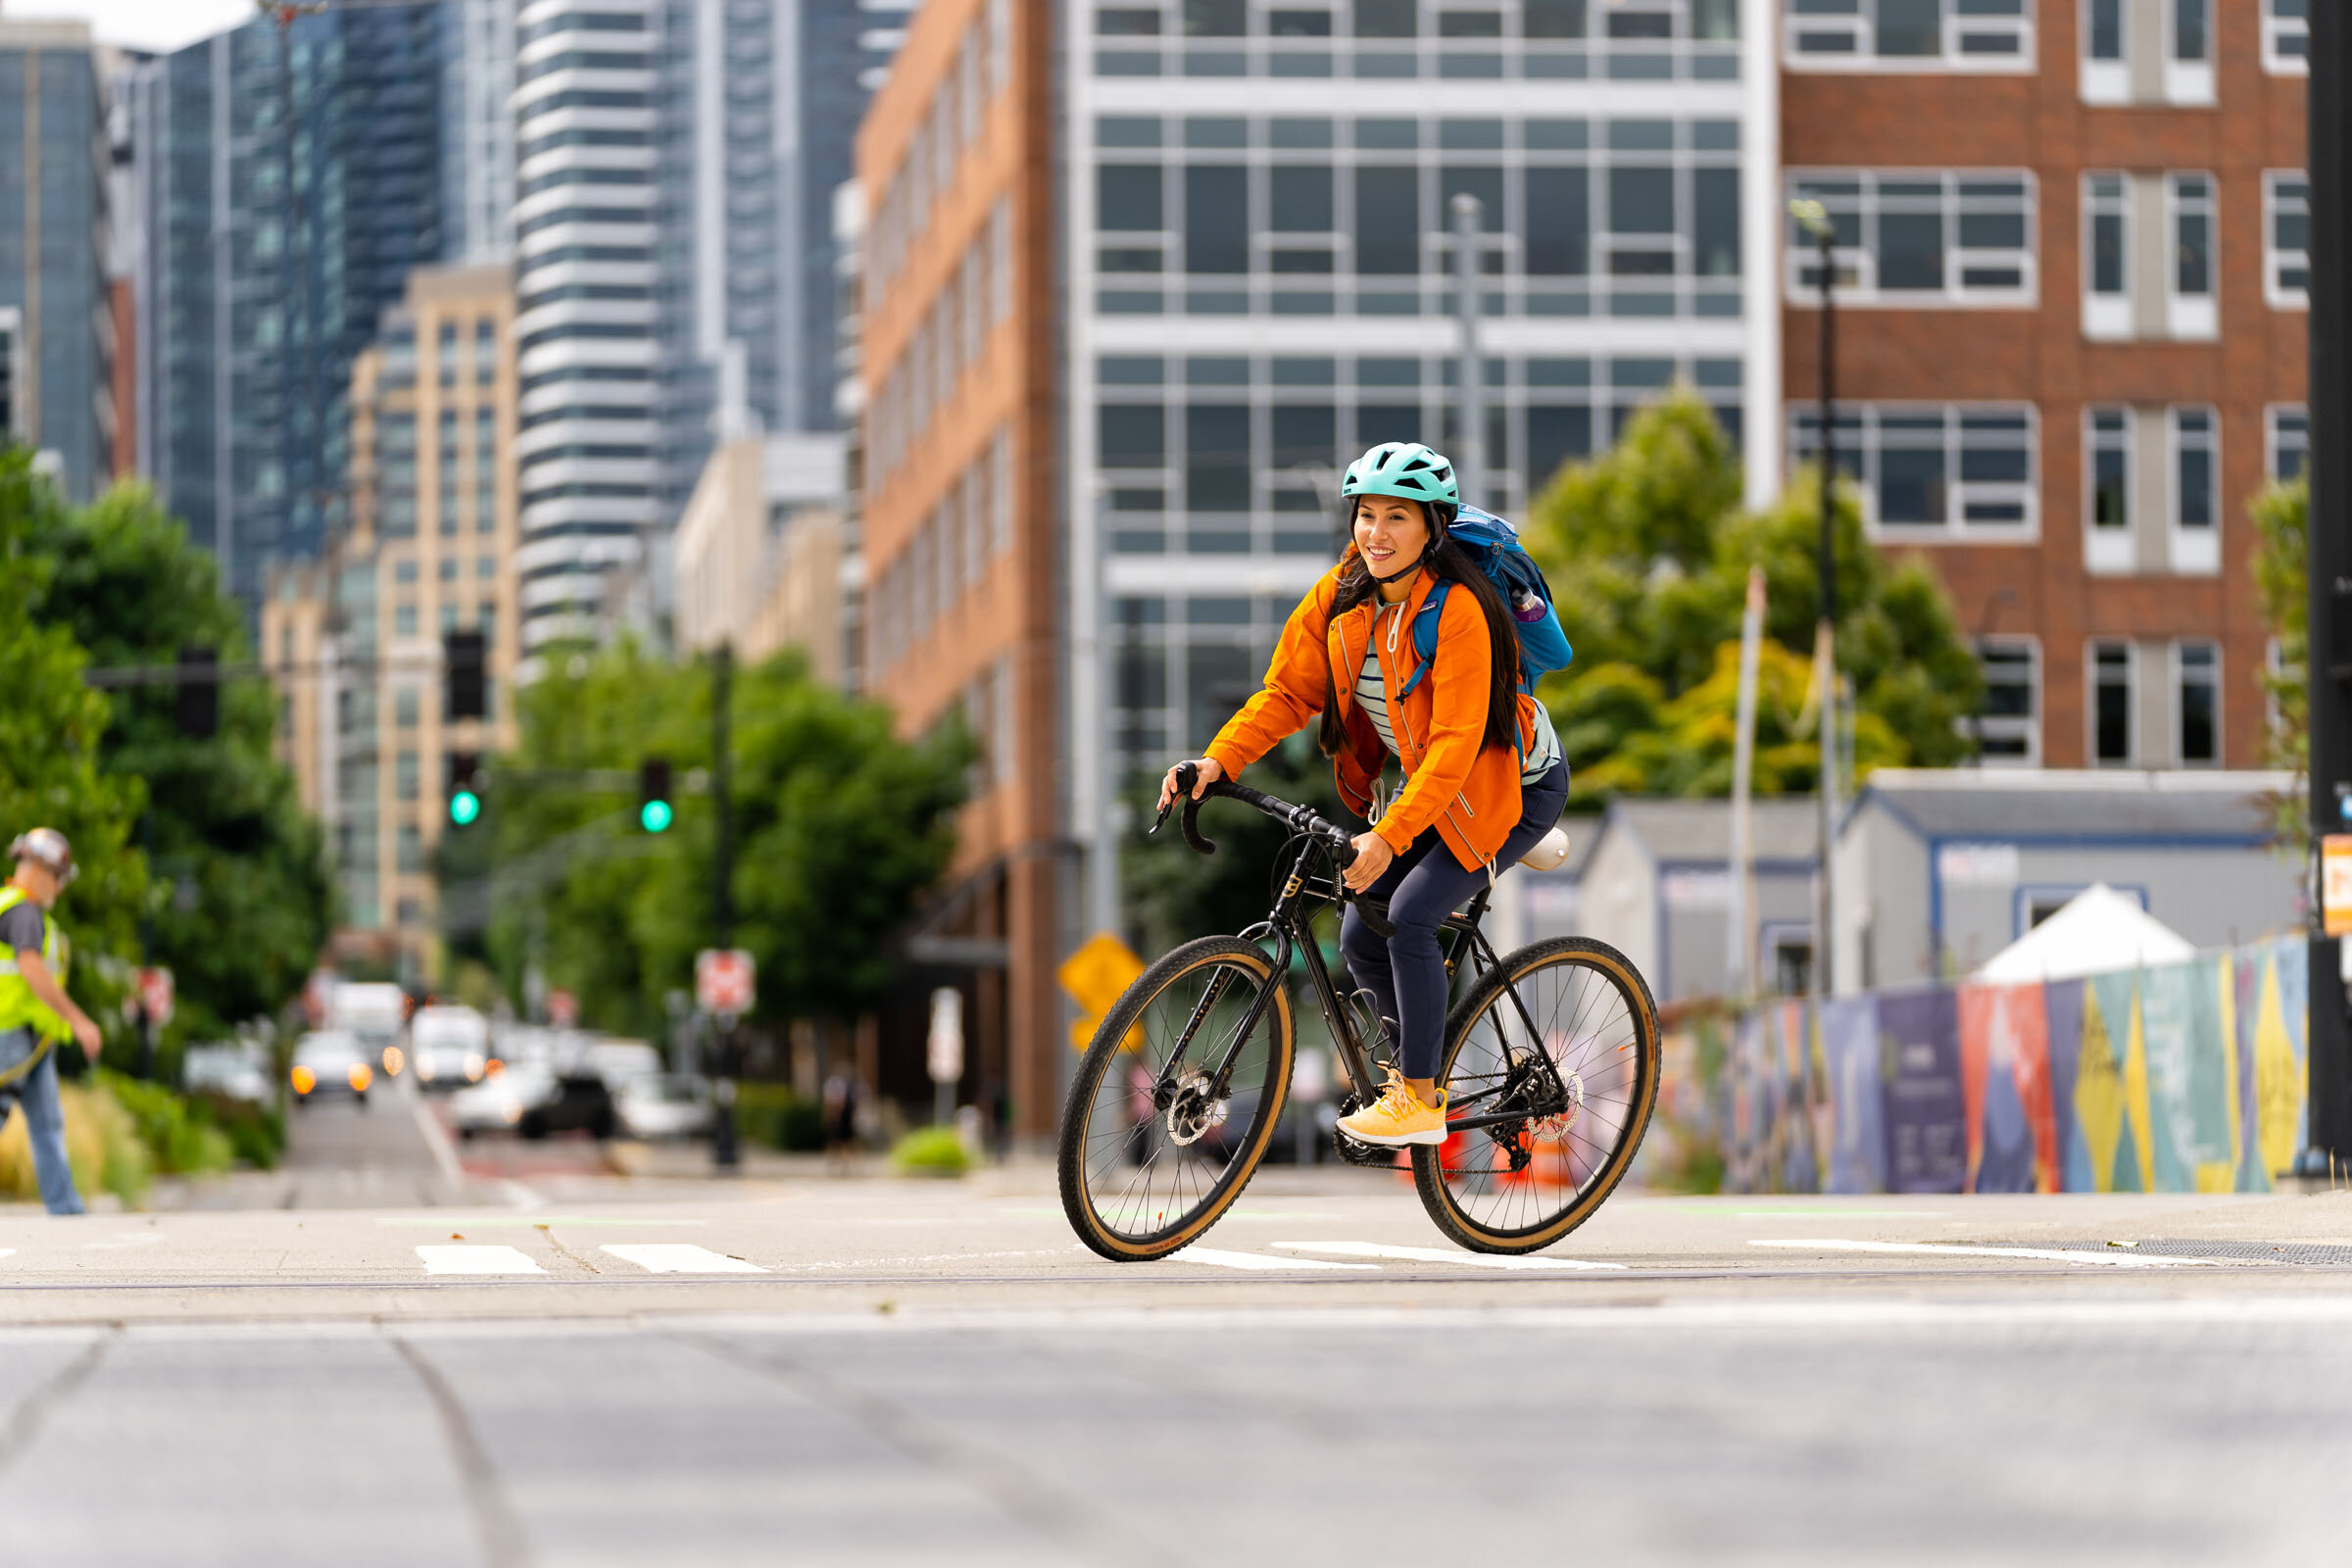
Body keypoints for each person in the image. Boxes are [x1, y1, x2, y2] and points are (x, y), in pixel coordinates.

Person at [1157, 443, 1570, 1147]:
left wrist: (1387, 837)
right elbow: (1288, 693)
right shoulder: (1341, 595)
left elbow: (1456, 746)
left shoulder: (1461, 609)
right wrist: (1217, 761)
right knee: (1359, 931)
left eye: (1397, 518)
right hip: (1430, 791)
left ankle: (1419, 1101)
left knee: (1410, 915)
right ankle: (1419, 1068)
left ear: (1433, 529)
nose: (1375, 533)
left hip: (1507, 788)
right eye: (1366, 515)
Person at [0, 828, 106, 1214]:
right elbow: (30, 967)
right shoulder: (23, 913)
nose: (59, 888)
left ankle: (65, 1207)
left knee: (48, 1124)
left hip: (34, 1039)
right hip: (11, 1038)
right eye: (59, 877)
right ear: (41, 870)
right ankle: (65, 1206)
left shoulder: (13, 908)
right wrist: (79, 1020)